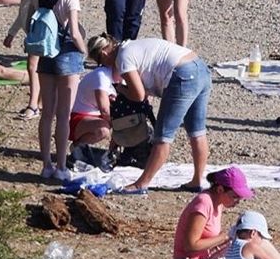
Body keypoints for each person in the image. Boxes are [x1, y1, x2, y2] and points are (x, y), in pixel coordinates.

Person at [89, 33, 212, 194]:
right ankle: (197, 180)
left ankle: (141, 184)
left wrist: (121, 89)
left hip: (181, 76)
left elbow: (138, 95)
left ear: (104, 53)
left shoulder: (122, 58)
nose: (103, 66)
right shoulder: (131, 46)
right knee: (197, 131)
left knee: (163, 136)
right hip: (200, 68)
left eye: (100, 62)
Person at [5, 0, 87, 177]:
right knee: (64, 115)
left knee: (47, 113)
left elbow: (29, 20)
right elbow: (74, 31)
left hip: (45, 54)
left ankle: (46, 165)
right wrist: (85, 52)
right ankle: (61, 167)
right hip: (67, 55)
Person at [170, 166, 252, 259]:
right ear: (220, 189)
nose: (238, 202)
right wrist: (223, 237)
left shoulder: (217, 203)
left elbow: (207, 239)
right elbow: (190, 245)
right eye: (235, 196)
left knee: (250, 247)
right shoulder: (203, 203)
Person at [68, 54, 115, 168]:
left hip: (93, 116)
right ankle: (78, 148)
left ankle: (114, 153)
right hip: (79, 116)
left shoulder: (117, 77)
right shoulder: (102, 76)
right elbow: (104, 110)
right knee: (104, 130)